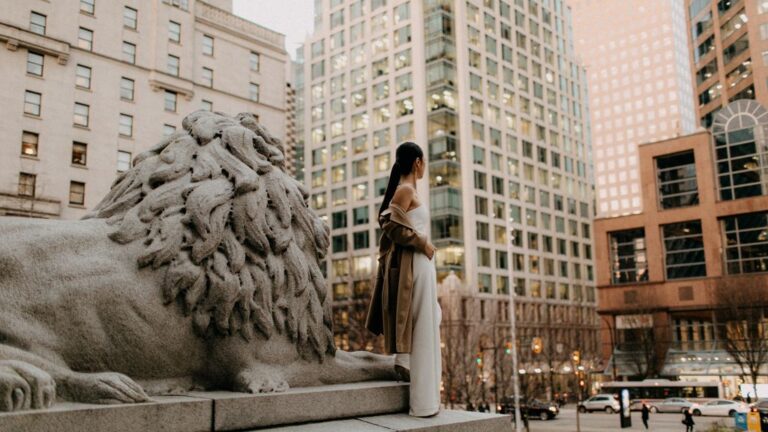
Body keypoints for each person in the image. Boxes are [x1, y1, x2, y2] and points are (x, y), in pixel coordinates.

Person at [367, 142, 441, 417]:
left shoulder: (408, 190)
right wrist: (422, 243)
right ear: (418, 162)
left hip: (422, 266)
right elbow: (387, 223)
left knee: (430, 322)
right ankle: (422, 403)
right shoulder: (405, 190)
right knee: (423, 329)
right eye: (424, 163)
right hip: (416, 264)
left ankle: (425, 396)